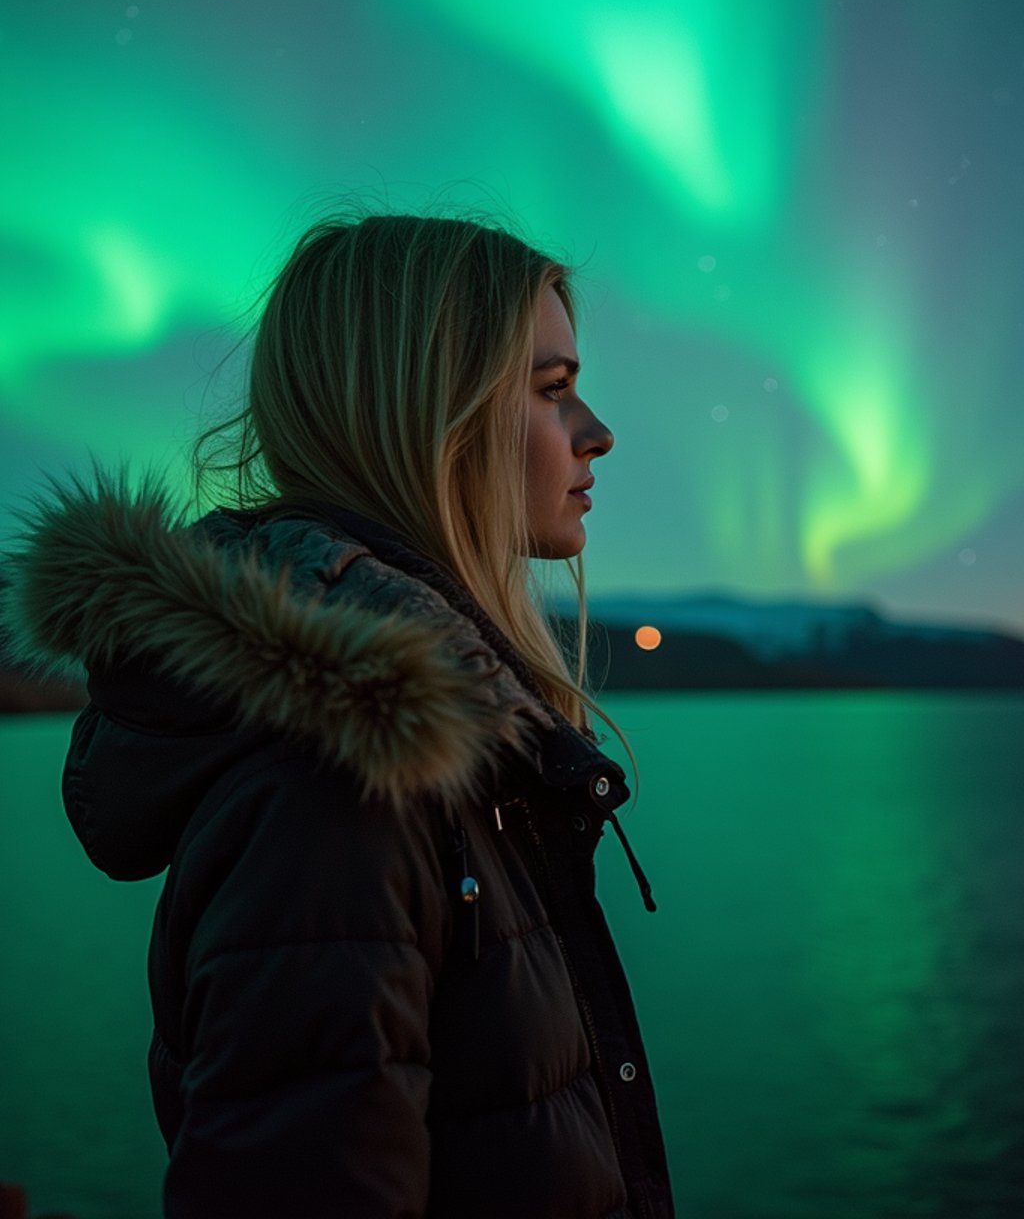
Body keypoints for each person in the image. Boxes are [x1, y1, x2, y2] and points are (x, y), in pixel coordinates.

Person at [1, 207, 675, 1219]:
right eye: (552, 390)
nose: (597, 433)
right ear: (430, 414)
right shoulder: (344, 782)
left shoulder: (414, 741)